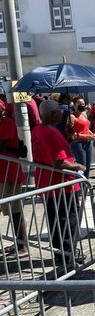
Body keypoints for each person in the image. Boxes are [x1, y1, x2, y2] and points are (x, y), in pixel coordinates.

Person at [32, 100, 86, 265]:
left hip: (49, 184)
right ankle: (67, 258)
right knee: (68, 222)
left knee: (57, 223)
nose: (62, 113)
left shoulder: (39, 130)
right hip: (61, 186)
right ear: (53, 114)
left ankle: (61, 256)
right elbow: (59, 163)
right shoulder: (50, 133)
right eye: (59, 111)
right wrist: (78, 165)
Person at [0, 100, 29, 259]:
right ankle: (18, 242)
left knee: (15, 210)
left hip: (9, 172)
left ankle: (23, 246)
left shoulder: (7, 123)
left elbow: (3, 143)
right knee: (10, 211)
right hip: (2, 173)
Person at [66, 97, 95, 178]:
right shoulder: (72, 116)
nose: (82, 105)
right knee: (82, 166)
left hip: (88, 143)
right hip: (78, 143)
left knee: (88, 167)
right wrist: (87, 136)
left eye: (83, 104)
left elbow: (86, 128)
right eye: (79, 103)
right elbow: (73, 134)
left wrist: (92, 134)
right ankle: (80, 186)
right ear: (74, 105)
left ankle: (86, 186)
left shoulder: (83, 115)